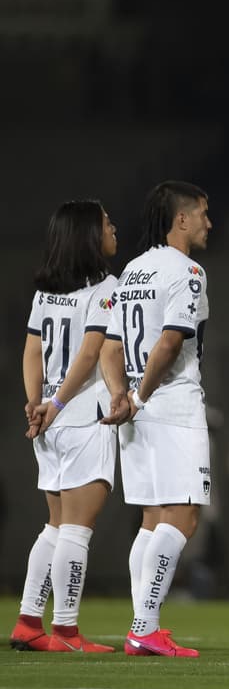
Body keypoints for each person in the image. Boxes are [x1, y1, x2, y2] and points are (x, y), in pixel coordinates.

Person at [99, 181, 214, 658]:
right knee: (183, 517)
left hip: (137, 413)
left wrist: (120, 395)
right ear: (181, 219)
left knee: (151, 521)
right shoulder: (186, 271)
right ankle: (144, 627)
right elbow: (170, 341)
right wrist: (141, 397)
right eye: (203, 213)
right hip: (170, 406)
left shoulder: (131, 271)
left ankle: (144, 627)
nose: (209, 222)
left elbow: (110, 347)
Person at [11, 201, 119, 653]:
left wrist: (35, 403)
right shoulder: (107, 288)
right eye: (107, 224)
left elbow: (32, 352)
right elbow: (91, 354)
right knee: (77, 528)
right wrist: (55, 404)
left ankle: (28, 622)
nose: (115, 229)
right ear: (89, 238)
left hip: (50, 422)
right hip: (79, 415)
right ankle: (67, 633)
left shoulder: (45, 293)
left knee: (54, 525)